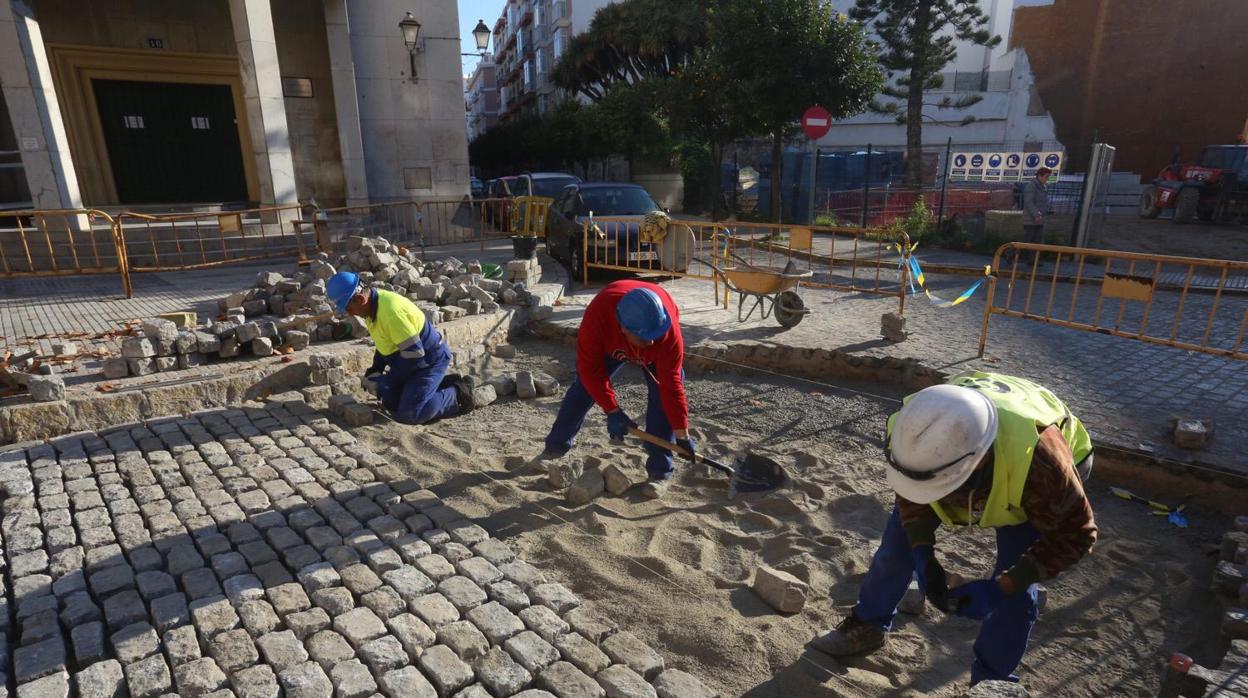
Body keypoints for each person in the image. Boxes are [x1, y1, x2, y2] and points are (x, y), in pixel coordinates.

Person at [810, 371, 1096, 688]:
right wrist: (922, 553)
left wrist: (1003, 586)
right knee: (897, 546)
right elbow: (910, 493)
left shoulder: (1041, 463)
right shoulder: (910, 429)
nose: (939, 500)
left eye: (945, 489)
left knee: (1017, 586)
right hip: (974, 445)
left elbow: (1077, 534)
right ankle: (868, 625)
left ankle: (991, 681)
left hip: (1038, 465)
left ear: (979, 463)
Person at [543, 280, 693, 499]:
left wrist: (682, 434)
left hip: (649, 337)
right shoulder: (598, 320)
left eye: (654, 335)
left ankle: (659, 472)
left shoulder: (665, 332)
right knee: (584, 388)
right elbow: (591, 372)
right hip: (611, 343)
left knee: (662, 397)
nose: (651, 342)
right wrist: (612, 410)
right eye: (644, 338)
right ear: (623, 327)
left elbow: (672, 387)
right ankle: (554, 448)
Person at [326, 271, 473, 424]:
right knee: (390, 401)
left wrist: (388, 381)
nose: (349, 314)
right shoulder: (371, 307)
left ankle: (457, 391)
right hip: (411, 360)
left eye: (348, 309)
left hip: (429, 361)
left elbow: (414, 354)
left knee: (410, 414)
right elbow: (384, 341)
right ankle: (440, 385)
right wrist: (377, 367)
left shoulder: (391, 313)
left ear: (360, 299)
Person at [1021, 167, 1052, 249]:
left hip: (1039, 218)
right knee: (1027, 240)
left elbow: (1042, 201)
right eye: (1046, 177)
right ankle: (1010, 254)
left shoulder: (1042, 186)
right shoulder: (1032, 186)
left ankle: (1032, 260)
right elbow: (1029, 202)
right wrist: (1036, 214)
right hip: (1031, 219)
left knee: (1036, 241)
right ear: (1039, 176)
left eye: (1048, 177)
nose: (1047, 179)